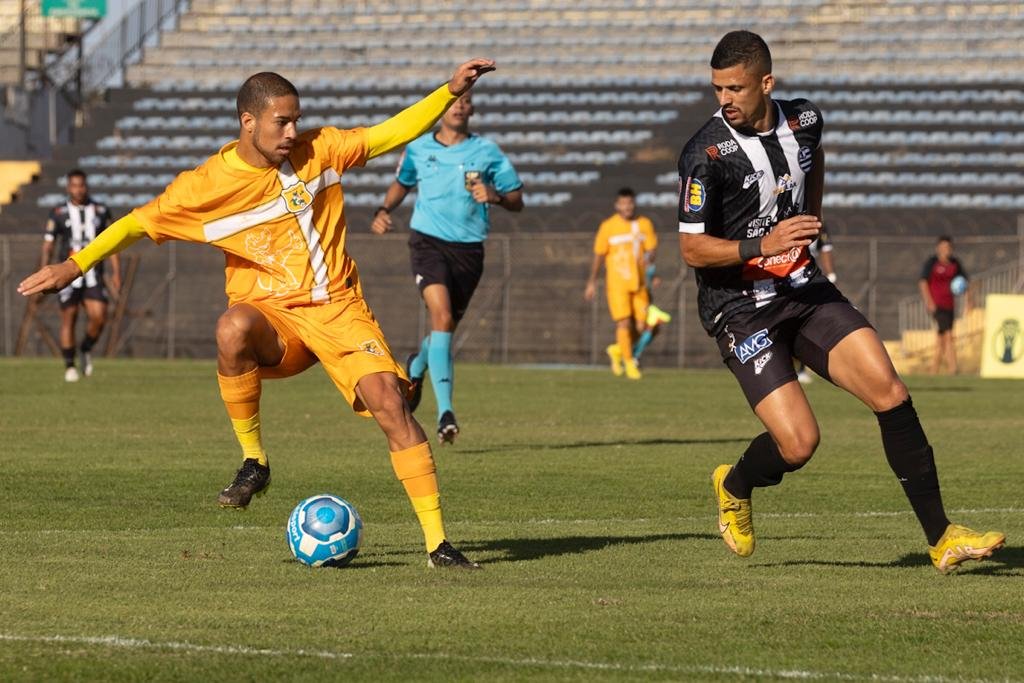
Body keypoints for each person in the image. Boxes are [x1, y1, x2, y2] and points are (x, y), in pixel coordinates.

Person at [18, 59, 499, 569]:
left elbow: (389, 133)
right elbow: (136, 224)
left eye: (296, 120)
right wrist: (74, 264)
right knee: (231, 327)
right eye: (282, 122)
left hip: (339, 309)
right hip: (276, 321)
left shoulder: (322, 149)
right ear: (248, 121)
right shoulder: (205, 187)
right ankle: (255, 459)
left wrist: (448, 92)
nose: (293, 132)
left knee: (391, 407)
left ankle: (438, 545)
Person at [677, 30, 1003, 573]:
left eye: (734, 88)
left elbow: (812, 160)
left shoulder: (804, 121)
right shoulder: (705, 152)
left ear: (767, 83)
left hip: (805, 289)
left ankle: (942, 537)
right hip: (740, 307)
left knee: (891, 391)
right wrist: (765, 243)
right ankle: (734, 483)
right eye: (717, 89)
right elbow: (690, 248)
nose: (724, 99)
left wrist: (810, 224)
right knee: (800, 443)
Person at [371, 90, 523, 444]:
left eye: (465, 101)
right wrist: (383, 211)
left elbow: (517, 199)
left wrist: (496, 196)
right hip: (427, 243)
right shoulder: (420, 148)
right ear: (442, 109)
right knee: (440, 319)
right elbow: (402, 182)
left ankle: (417, 365)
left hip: (469, 250)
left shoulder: (486, 152)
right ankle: (446, 413)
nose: (458, 106)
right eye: (454, 101)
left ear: (471, 109)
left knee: (445, 328)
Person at [39, 169, 121, 382]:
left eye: (81, 185)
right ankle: (69, 366)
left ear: (87, 186)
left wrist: (116, 273)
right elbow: (48, 245)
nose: (78, 189)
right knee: (69, 317)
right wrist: (44, 269)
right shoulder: (58, 212)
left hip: (93, 274)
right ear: (68, 187)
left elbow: (114, 243)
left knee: (100, 316)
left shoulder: (101, 210)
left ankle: (85, 348)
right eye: (74, 185)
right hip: (67, 275)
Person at [584, 188, 667, 380]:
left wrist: (652, 271)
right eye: (623, 203)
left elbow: (651, 252)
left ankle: (618, 349)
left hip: (639, 284)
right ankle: (629, 363)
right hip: (617, 283)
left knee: (643, 326)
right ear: (617, 205)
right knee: (623, 322)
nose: (627, 207)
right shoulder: (608, 227)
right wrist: (591, 282)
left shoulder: (644, 224)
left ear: (634, 203)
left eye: (630, 203)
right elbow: (599, 255)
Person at [919, 236, 968, 375]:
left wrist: (968, 299)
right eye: (943, 247)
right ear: (938, 248)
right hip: (937, 305)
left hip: (950, 305)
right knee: (949, 335)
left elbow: (965, 281)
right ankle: (953, 368)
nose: (946, 250)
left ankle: (933, 370)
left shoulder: (955, 263)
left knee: (941, 338)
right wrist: (929, 301)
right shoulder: (932, 263)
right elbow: (923, 282)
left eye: (948, 248)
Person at [796, 228, 836, 384]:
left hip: (808, 281)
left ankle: (800, 370)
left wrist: (831, 275)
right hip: (784, 280)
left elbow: (826, 249)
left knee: (805, 329)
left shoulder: (819, 226)